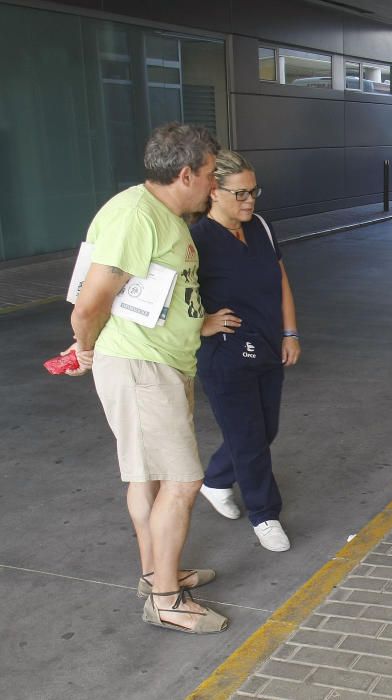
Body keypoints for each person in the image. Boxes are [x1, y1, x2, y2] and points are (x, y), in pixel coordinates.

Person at [65, 122, 228, 634]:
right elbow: (89, 302)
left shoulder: (158, 213)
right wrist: (84, 348)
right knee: (183, 480)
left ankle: (157, 572)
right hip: (140, 367)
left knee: (148, 476)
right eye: (209, 176)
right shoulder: (136, 216)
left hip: (160, 361)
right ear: (184, 175)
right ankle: (165, 599)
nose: (214, 186)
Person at [191, 150, 300, 552]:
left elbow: (281, 281)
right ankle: (265, 514)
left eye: (253, 191)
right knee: (250, 436)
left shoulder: (261, 228)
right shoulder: (196, 241)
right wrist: (201, 322)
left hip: (269, 344)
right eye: (239, 194)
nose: (249, 201)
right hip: (223, 354)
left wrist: (290, 332)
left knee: (264, 429)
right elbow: (166, 296)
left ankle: (217, 479)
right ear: (213, 192)